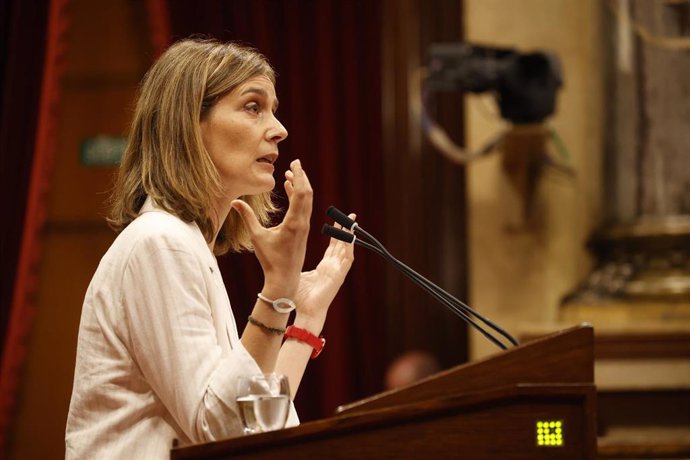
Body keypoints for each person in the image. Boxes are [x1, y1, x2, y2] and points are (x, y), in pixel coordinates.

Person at [65, 38, 355, 458]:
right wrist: (275, 291)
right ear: (189, 122)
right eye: (253, 107)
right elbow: (220, 429)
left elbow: (258, 424)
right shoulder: (160, 243)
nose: (279, 129)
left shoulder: (186, 245)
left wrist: (306, 314)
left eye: (272, 109)